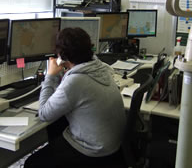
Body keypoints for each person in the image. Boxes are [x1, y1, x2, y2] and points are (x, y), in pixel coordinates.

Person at [24, 27, 126, 168]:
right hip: (114, 149)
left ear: (63, 56)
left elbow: (43, 114)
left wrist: (51, 76)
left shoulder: (76, 81)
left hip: (93, 152)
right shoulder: (101, 67)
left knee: (32, 163)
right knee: (56, 125)